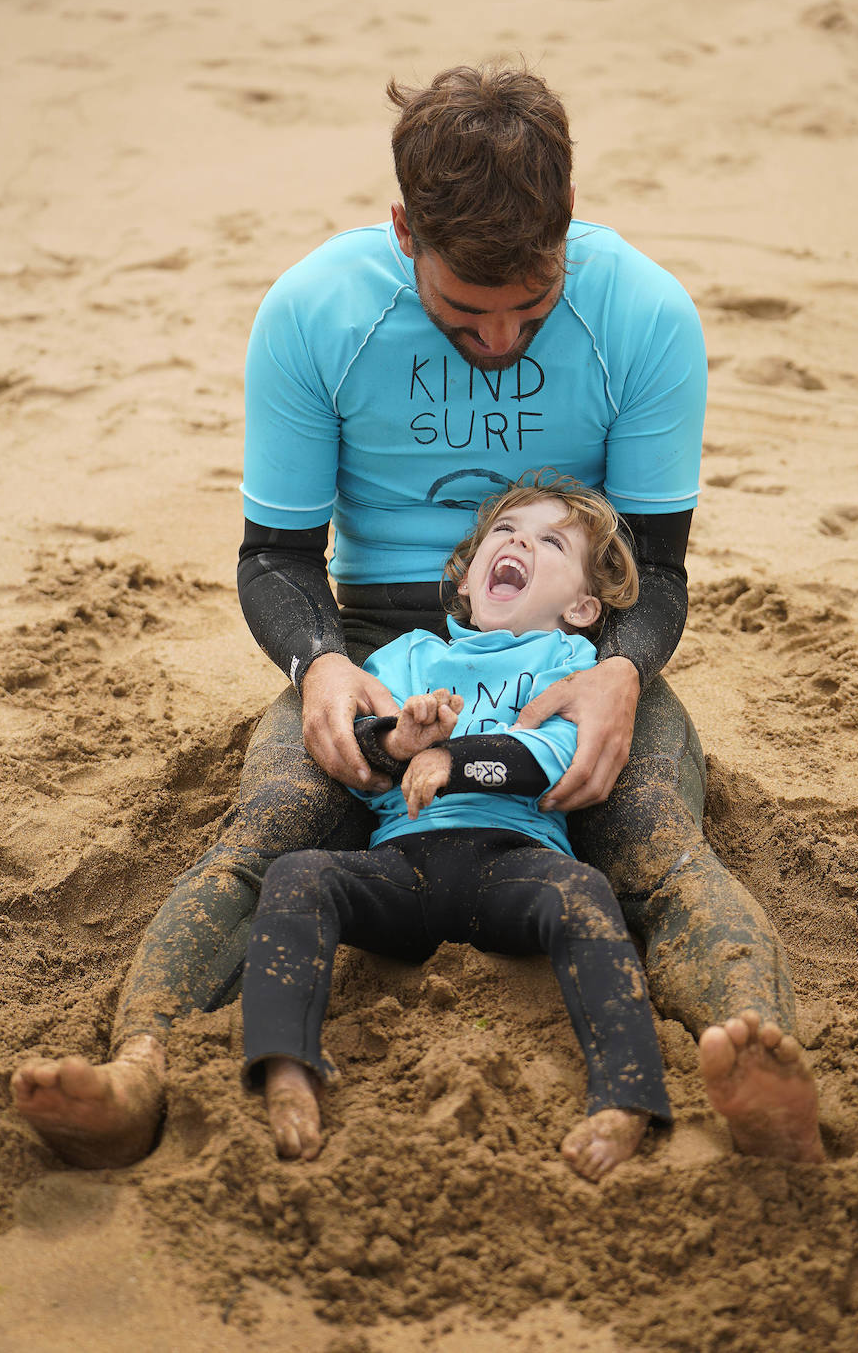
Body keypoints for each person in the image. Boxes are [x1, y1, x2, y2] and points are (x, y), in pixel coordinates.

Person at [11, 62, 823, 1168]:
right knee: (262, 839)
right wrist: (317, 666)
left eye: (530, 309)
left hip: (572, 656)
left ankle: (756, 1070)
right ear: (405, 232)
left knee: (665, 852)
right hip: (373, 652)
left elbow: (662, 572)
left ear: (567, 230)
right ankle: (137, 1073)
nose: (498, 341)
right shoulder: (314, 311)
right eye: (462, 311)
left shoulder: (642, 313)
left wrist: (620, 668)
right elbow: (274, 558)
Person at [245, 475, 671, 1183]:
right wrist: (400, 741)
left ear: (581, 606)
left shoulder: (568, 665)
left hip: (514, 860)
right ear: (466, 581)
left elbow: (554, 758)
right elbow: (362, 744)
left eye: (551, 540)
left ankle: (626, 1092)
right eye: (505, 532)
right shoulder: (409, 657)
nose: (520, 542)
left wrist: (456, 758)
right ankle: (287, 1065)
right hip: (403, 865)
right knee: (298, 876)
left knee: (586, 896)